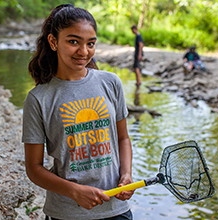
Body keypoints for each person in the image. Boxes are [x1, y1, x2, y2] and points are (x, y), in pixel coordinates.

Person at [22, 4, 134, 220]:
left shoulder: (111, 82)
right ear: (53, 42)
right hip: (66, 213)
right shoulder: (38, 99)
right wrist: (74, 192)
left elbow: (123, 138)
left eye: (90, 43)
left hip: (116, 209)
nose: (83, 52)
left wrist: (126, 175)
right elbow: (34, 168)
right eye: (74, 42)